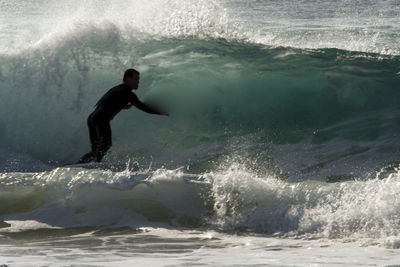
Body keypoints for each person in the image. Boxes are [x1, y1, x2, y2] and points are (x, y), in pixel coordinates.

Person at [79, 69, 168, 163]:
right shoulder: (128, 94)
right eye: (136, 79)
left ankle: (82, 162)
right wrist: (161, 112)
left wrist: (125, 106)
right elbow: (144, 108)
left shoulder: (117, 89)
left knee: (96, 149)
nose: (138, 82)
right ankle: (94, 163)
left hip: (92, 118)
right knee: (106, 144)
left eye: (138, 80)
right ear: (128, 79)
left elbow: (109, 102)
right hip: (100, 119)